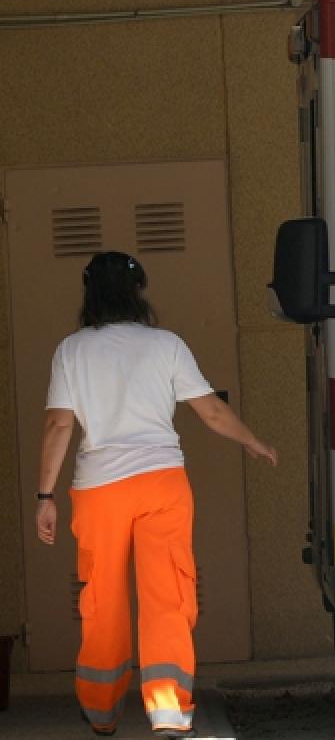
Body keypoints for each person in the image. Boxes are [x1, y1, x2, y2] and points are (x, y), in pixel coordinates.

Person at [33, 251, 278, 738]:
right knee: (167, 593)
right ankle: (167, 708)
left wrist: (45, 494)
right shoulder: (166, 345)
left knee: (102, 598)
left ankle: (102, 710)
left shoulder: (72, 350)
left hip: (99, 489)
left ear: (89, 294)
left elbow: (59, 424)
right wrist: (252, 440)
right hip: (162, 483)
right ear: (138, 292)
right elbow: (209, 412)